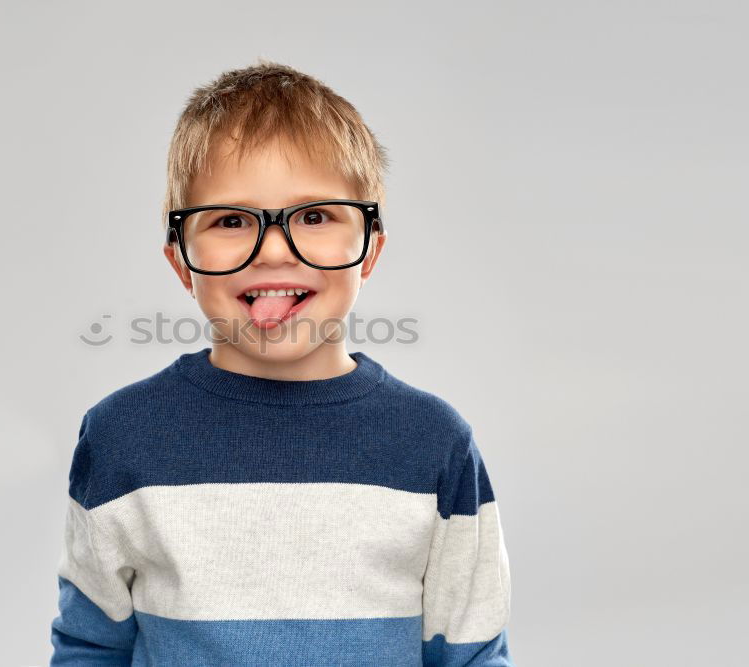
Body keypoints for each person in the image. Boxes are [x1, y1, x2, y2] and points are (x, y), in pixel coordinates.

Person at [49, 59, 514, 666]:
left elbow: (473, 654)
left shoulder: (433, 442)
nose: (272, 251)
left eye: (315, 216)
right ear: (181, 260)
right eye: (231, 220)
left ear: (368, 249)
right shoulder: (122, 436)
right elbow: (90, 648)